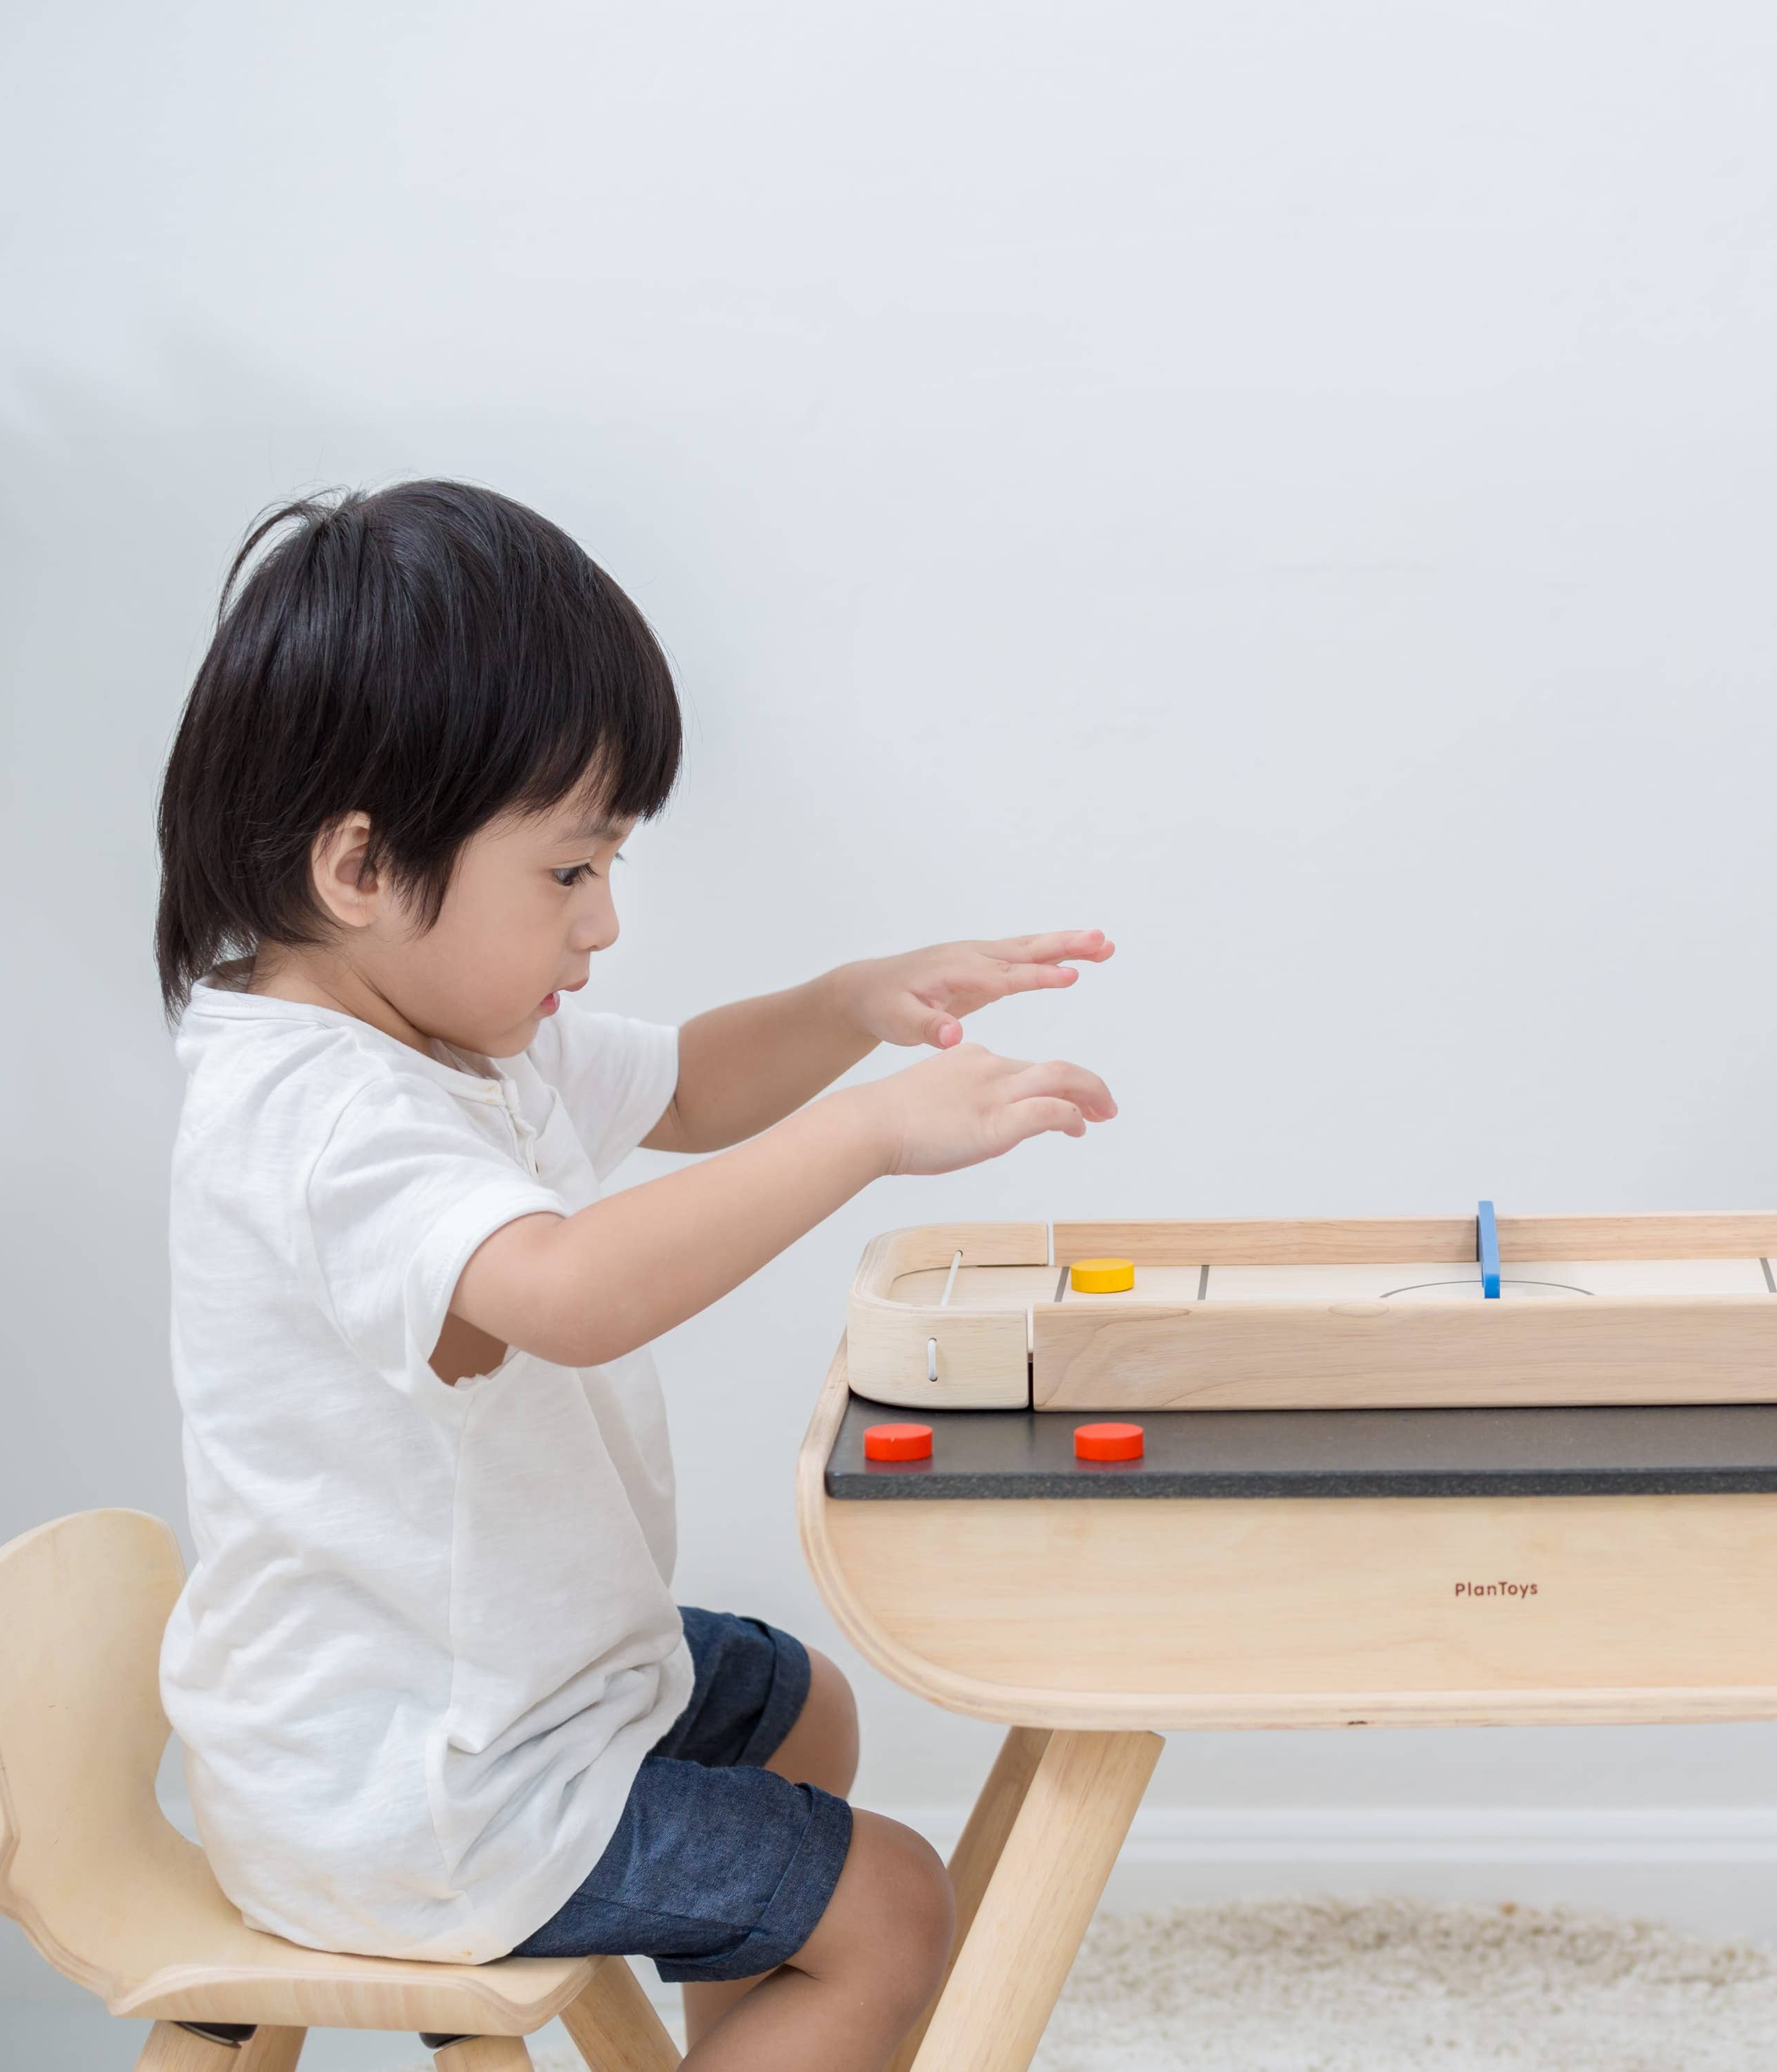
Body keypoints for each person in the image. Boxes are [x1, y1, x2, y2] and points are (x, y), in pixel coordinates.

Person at [152, 481, 1117, 2070]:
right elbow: (573, 1287)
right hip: (415, 1786)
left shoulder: (447, 1040)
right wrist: (874, 1132)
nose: (602, 924)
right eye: (568, 873)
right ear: (359, 868)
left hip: (494, 1694)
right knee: (890, 1909)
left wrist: (849, 1000)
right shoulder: (321, 1116)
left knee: (795, 1708)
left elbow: (687, 1086)